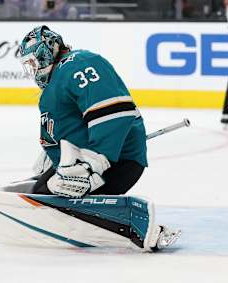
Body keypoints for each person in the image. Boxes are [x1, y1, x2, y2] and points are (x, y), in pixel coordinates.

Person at [18, 25, 180, 250]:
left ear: (45, 52)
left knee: (45, 197)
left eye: (33, 63)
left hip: (115, 163)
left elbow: (114, 112)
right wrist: (52, 150)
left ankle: (134, 226)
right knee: (42, 192)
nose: (33, 70)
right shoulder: (60, 75)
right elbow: (70, 121)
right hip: (90, 161)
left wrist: (94, 162)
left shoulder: (80, 63)